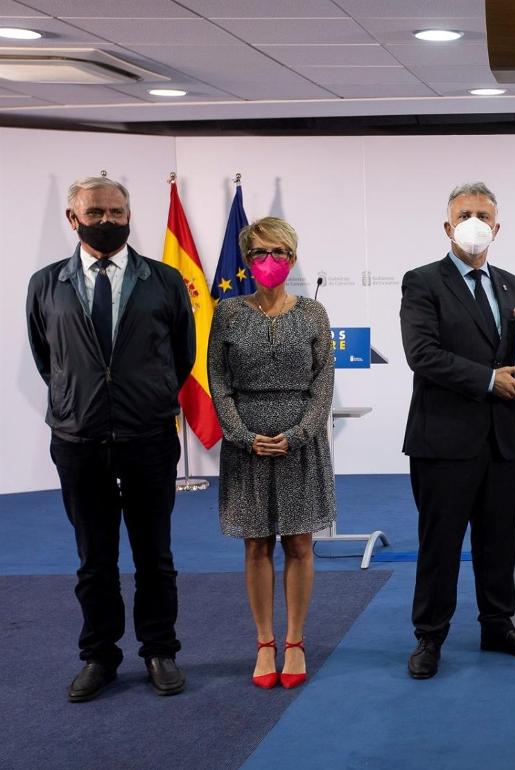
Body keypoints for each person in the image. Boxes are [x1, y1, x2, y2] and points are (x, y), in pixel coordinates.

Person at [26, 176, 195, 702]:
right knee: (93, 559)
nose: (107, 220)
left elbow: (182, 356)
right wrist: (79, 400)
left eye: (116, 212)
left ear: (129, 215)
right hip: (79, 440)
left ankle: (159, 650)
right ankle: (99, 656)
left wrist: (146, 396)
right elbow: (47, 358)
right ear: (73, 219)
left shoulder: (164, 280)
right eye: (95, 212)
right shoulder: (46, 283)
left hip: (148, 436)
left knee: (155, 555)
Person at [400, 182, 515, 680]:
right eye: (465, 214)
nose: (474, 222)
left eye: (483, 215)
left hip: (501, 437)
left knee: (498, 541)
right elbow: (422, 355)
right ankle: (430, 636)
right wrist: (488, 380)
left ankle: (498, 625)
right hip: (444, 439)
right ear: (447, 226)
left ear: (497, 227)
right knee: (439, 545)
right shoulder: (422, 281)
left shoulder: (511, 284)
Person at [207, 217, 335, 690]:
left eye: (279, 252)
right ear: (247, 260)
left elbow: (323, 382)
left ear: (293, 258)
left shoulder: (314, 314)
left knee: (299, 543)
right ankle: (265, 643)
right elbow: (218, 381)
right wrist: (242, 435)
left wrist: (299, 433)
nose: (269, 260)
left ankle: (295, 640)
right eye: (260, 252)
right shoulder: (228, 312)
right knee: (256, 544)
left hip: (300, 443)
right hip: (247, 447)